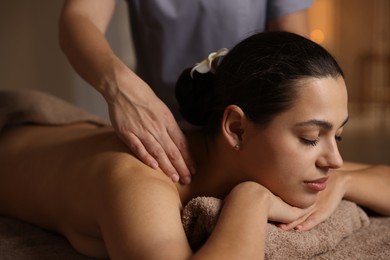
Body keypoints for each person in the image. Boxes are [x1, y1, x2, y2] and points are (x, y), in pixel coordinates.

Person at [1, 31, 389, 259]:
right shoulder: (140, 184)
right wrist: (250, 199)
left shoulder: (261, 157)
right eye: (310, 138)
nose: (335, 159)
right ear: (236, 128)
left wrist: (346, 184)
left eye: (337, 136)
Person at [58, 0, 313, 184]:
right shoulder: (142, 183)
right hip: (158, 128)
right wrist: (120, 89)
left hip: (253, 134)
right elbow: (80, 17)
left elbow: (295, 55)